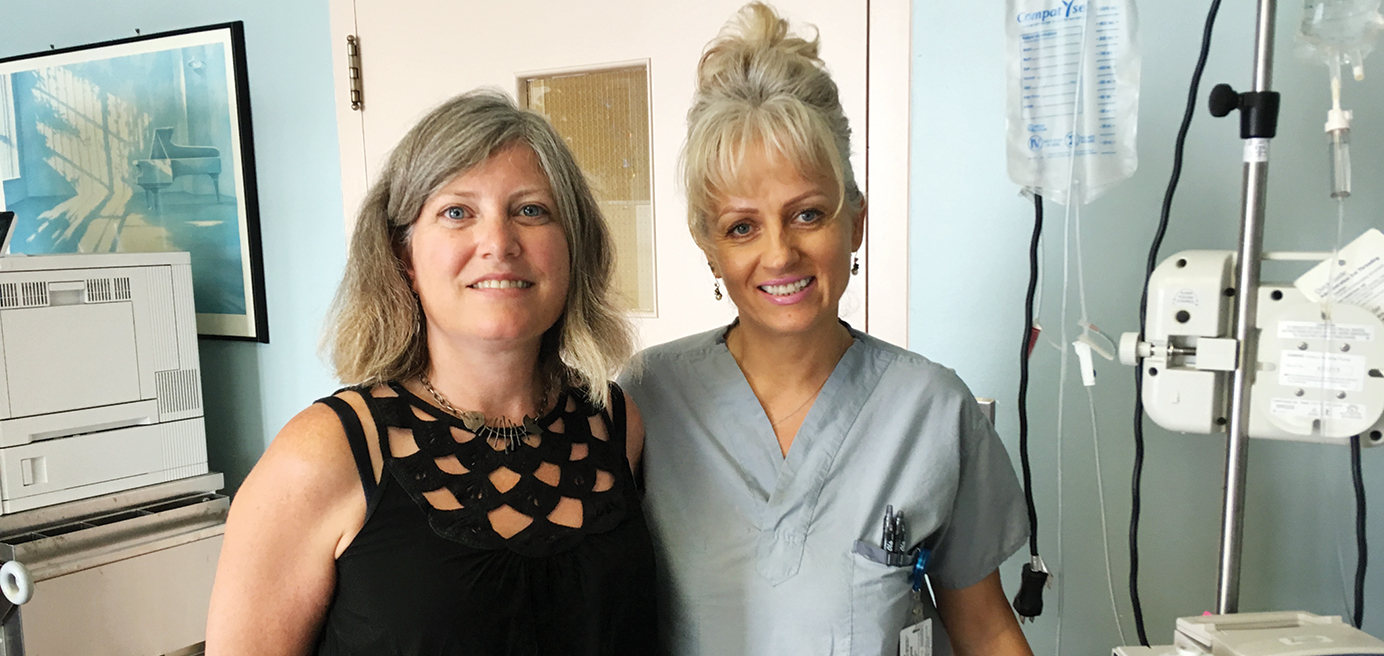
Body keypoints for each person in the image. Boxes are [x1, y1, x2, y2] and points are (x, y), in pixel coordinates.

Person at [618, 4, 1034, 655]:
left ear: (855, 222)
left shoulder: (932, 411)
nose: (779, 254)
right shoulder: (650, 396)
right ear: (710, 249)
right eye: (742, 227)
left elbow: (984, 627)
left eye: (808, 214)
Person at [205, 90, 655, 656]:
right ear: (404, 257)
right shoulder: (324, 453)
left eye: (531, 210)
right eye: (457, 212)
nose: (498, 242)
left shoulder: (615, 423)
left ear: (574, 248)